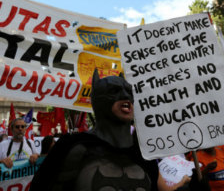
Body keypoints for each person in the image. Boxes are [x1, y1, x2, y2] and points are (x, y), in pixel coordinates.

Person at [30, 68, 208, 191]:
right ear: (97, 100)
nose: (125, 96)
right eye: (113, 91)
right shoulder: (74, 147)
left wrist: (190, 188)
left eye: (128, 91)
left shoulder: (142, 154)